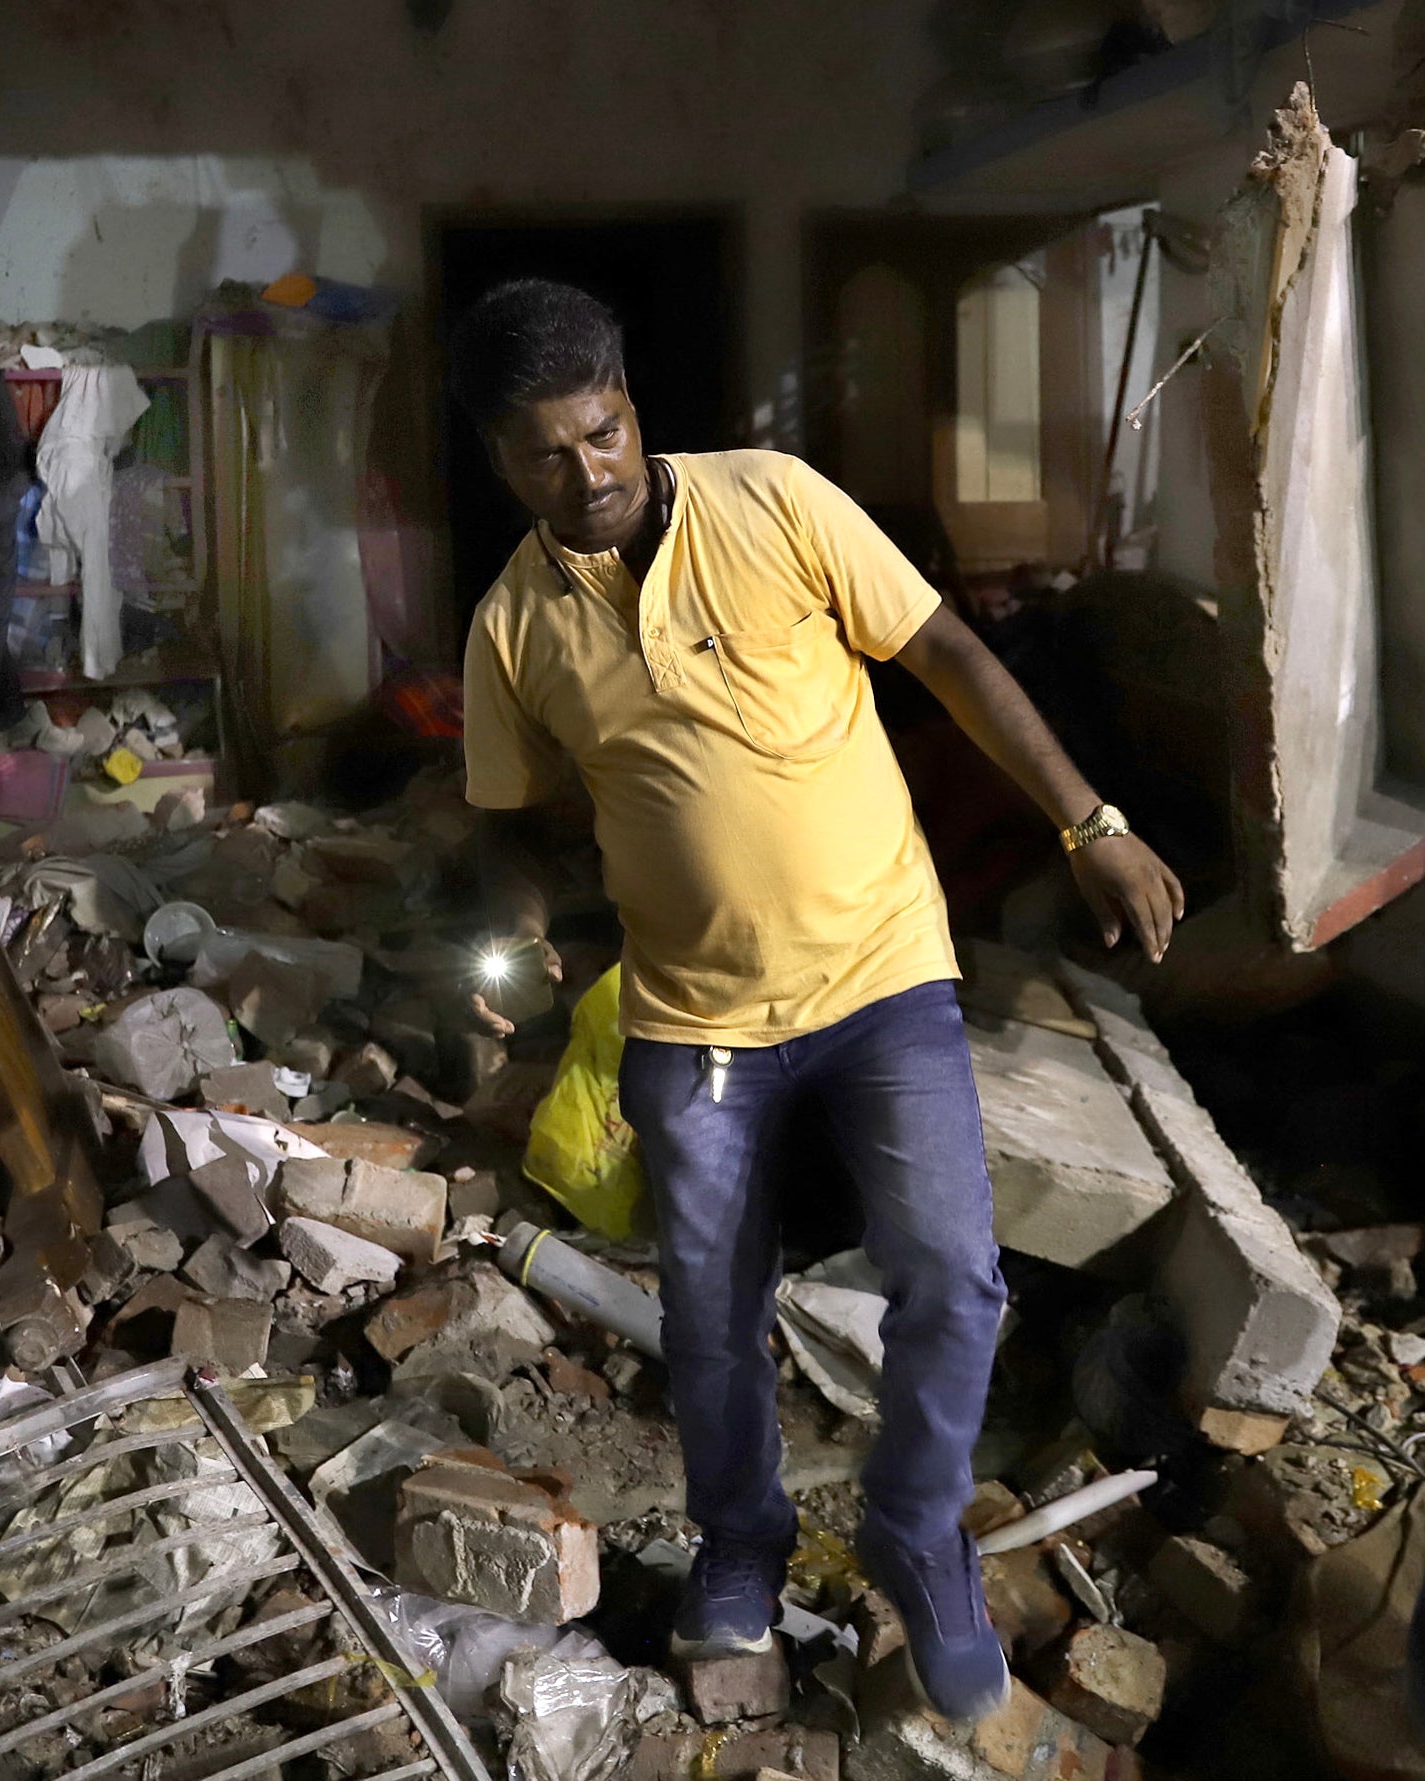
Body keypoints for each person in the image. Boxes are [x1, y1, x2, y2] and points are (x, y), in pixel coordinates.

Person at [451, 279, 1185, 1721]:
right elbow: (512, 816)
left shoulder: (773, 502)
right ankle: (738, 1550)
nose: (584, 471)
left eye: (599, 432)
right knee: (714, 1313)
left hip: (879, 974)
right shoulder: (511, 629)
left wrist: (1088, 825)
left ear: (630, 408)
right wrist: (521, 934)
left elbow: (948, 654)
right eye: (542, 453)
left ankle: (916, 1535)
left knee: (952, 1273)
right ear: (498, 459)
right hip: (689, 1016)